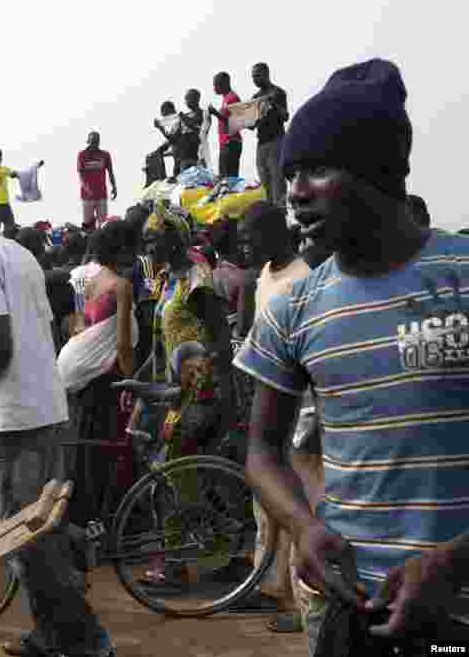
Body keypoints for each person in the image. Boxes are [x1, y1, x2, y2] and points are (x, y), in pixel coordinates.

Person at [236, 59, 469, 653]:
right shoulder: (294, 308)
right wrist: (305, 527)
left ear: (376, 173)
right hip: (353, 612)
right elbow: (262, 451)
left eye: (316, 169)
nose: (295, 191)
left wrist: (454, 561)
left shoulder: (461, 278)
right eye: (291, 173)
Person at [0, 180, 115, 657]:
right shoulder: (21, 254)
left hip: (13, 417)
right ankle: (50, 635)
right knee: (44, 534)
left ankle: (88, 639)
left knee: (24, 541)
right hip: (45, 407)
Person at [137, 199, 239, 588]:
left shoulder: (197, 280)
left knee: (177, 475)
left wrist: (213, 393)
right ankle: (209, 553)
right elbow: (162, 346)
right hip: (175, 396)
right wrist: (140, 384)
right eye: (146, 239)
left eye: (154, 238)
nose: (148, 246)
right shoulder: (166, 281)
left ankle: (183, 562)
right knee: (180, 478)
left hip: (200, 396)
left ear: (176, 239)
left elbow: (221, 340)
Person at [235, 201, 308, 633]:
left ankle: (302, 602)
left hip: (299, 411)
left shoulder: (301, 278)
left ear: (274, 234)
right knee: (267, 503)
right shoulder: (264, 275)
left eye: (250, 239)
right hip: (269, 401)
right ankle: (270, 586)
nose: (245, 247)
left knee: (297, 503)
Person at [64, 220, 138, 529]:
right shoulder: (121, 287)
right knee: (113, 450)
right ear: (121, 250)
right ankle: (116, 520)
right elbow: (123, 345)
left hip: (84, 380)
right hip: (109, 381)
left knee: (89, 450)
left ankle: (86, 518)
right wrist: (132, 383)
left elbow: (78, 327)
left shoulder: (88, 282)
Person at [251, 63, 290, 206]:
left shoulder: (278, 92)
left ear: (266, 74)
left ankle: (280, 215)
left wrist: (273, 103)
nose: (254, 79)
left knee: (278, 182)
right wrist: (241, 117)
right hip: (261, 144)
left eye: (257, 75)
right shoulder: (255, 97)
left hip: (276, 141)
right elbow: (252, 125)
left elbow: (285, 116)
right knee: (265, 183)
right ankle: (269, 215)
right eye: (253, 77)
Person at [0, 148, 44, 239]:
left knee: (11, 227)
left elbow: (19, 174)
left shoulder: (4, 169)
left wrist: (34, 167)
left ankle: (6, 243)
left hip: (5, 204)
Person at [78, 131, 117, 231]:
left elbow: (110, 172)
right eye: (92, 142)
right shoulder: (82, 155)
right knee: (88, 226)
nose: (94, 144)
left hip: (101, 195)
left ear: (98, 142)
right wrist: (86, 188)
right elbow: (80, 175)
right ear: (88, 142)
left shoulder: (105, 155)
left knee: (103, 225)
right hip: (87, 197)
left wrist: (114, 187)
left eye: (96, 142)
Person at [207, 72, 243, 178]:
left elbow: (237, 121)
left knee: (228, 178)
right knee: (224, 176)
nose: (214, 88)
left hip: (231, 142)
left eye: (216, 85)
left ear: (225, 83)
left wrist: (215, 113)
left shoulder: (233, 98)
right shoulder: (226, 98)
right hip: (226, 143)